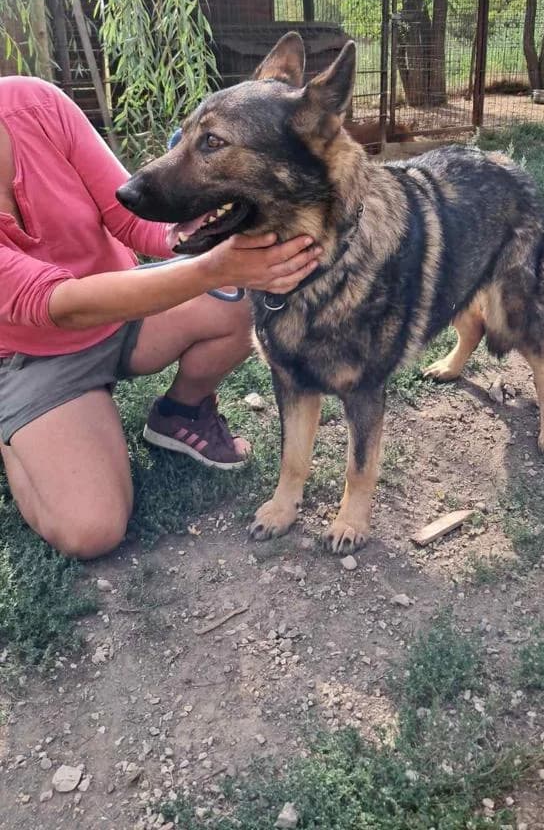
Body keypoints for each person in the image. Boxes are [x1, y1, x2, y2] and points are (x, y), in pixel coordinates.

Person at [0, 76, 321, 559]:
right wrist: (214, 265)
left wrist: (209, 238)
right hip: (33, 355)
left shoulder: (32, 103)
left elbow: (129, 216)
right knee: (92, 530)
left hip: (128, 311)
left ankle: (180, 413)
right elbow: (56, 304)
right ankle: (16, 432)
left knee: (238, 296)